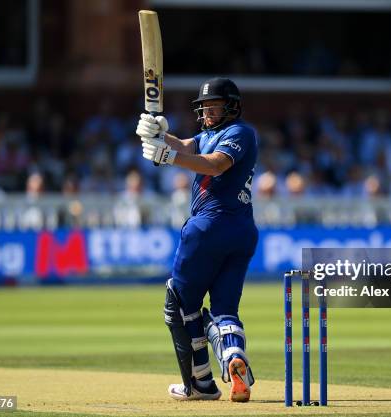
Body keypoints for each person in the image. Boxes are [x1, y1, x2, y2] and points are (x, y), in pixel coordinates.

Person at [136, 78, 259, 402]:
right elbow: (186, 147)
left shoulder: (239, 133)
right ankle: (234, 358)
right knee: (224, 310)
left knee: (179, 302)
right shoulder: (209, 135)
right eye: (204, 107)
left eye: (213, 107)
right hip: (242, 232)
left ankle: (200, 383)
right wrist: (158, 133)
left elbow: (215, 165)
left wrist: (167, 155)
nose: (207, 112)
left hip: (208, 228)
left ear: (231, 106)